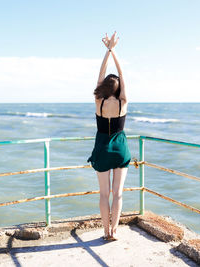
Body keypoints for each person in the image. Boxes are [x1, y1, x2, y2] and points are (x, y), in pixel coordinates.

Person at [87, 31, 131, 241]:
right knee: (118, 193)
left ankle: (105, 231)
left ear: (103, 87)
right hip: (120, 148)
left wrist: (107, 51)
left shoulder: (100, 102)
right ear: (120, 87)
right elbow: (123, 76)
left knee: (104, 194)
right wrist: (115, 52)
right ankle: (115, 230)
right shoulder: (123, 102)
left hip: (103, 148)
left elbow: (99, 77)